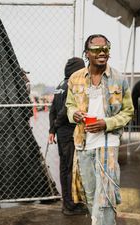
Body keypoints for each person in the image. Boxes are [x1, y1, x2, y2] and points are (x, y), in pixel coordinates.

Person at [66, 34, 134, 225]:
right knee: (92, 198)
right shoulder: (75, 79)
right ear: (87, 53)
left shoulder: (118, 78)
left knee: (105, 202)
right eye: (96, 49)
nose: (102, 52)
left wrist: (108, 123)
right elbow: (69, 106)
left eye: (106, 48)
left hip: (108, 146)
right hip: (83, 145)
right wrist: (77, 115)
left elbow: (128, 111)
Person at [48, 57, 86, 215]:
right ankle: (70, 205)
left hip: (61, 132)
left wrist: (52, 130)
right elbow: (64, 110)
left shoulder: (59, 86)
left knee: (64, 168)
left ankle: (68, 202)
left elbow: (52, 110)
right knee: (70, 168)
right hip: (69, 131)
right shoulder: (71, 85)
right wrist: (56, 125)